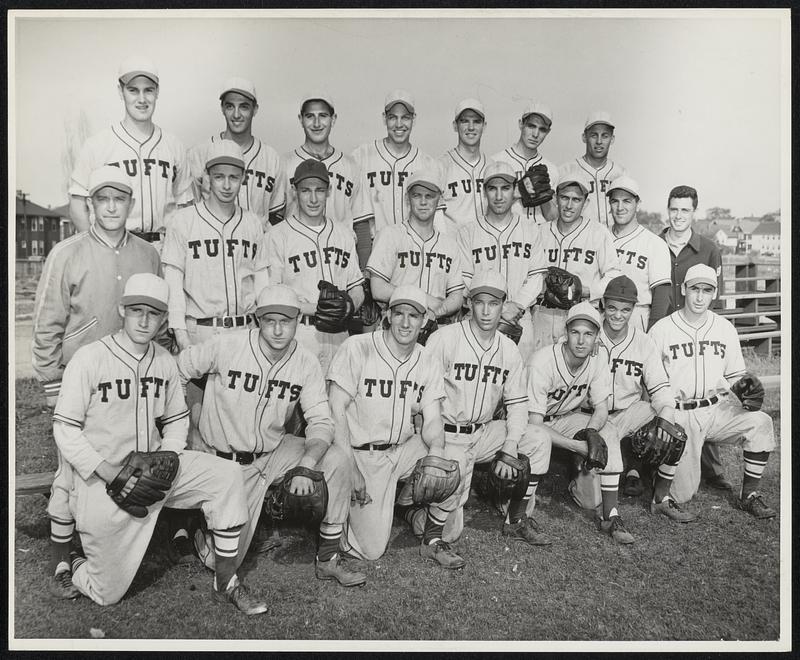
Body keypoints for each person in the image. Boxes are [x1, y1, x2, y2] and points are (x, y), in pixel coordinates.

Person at [51, 273, 267, 615]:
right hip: (102, 476)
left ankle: (226, 581)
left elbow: (177, 418)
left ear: (164, 319)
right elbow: (64, 428)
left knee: (227, 475)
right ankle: (74, 560)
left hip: (155, 470)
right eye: (136, 310)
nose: (144, 319)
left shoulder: (165, 362)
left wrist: (170, 453)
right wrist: (107, 471)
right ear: (122, 311)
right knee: (106, 593)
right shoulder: (89, 358)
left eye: (153, 313)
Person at [177, 284, 366, 587]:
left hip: (274, 452)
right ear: (257, 320)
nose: (278, 330)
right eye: (270, 321)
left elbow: (321, 420)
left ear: (296, 321)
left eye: (286, 321)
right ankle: (201, 526)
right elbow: (178, 372)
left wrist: (306, 463)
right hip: (226, 463)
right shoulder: (225, 345)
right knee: (220, 561)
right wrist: (189, 426)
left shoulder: (304, 361)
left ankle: (329, 557)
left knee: (336, 459)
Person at [32, 166, 162, 598]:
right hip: (79, 376)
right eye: (102, 200)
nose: (111, 207)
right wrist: (52, 383)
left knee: (119, 460)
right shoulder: (66, 252)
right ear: (90, 204)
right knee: (70, 471)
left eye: (119, 199)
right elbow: (47, 324)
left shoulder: (147, 253)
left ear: (130, 204)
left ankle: (105, 543)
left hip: (128, 380)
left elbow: (154, 318)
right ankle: (61, 558)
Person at [417, 270, 553, 556]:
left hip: (483, 433)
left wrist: (510, 445)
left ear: (504, 305)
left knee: (538, 438)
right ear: (469, 303)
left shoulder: (508, 349)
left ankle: (515, 519)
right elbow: (420, 396)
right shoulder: (444, 339)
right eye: (480, 302)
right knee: (450, 532)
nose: (487, 310)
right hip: (446, 435)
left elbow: (517, 404)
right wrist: (432, 445)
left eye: (494, 303)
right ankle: (420, 524)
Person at [326, 285, 453, 564]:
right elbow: (335, 409)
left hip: (404, 449)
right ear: (387, 315)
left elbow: (432, 418)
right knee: (371, 550)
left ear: (424, 321)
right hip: (363, 455)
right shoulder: (357, 347)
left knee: (452, 457)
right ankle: (339, 506)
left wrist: (437, 452)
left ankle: (411, 513)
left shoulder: (427, 360)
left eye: (414, 316)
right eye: (399, 314)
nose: (406, 323)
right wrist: (350, 467)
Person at [648, 265, 777, 519]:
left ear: (714, 293)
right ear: (683, 289)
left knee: (760, 422)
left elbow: (735, 375)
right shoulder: (662, 330)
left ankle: (749, 495)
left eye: (706, 290)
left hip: (717, 408)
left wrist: (746, 389)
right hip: (680, 413)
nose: (699, 297)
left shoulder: (724, 328)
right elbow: (651, 380)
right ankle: (658, 482)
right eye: (694, 289)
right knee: (683, 494)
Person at [570, 276, 696, 522]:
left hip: (629, 413)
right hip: (590, 418)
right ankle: (577, 469)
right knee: (590, 501)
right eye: (613, 308)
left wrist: (666, 417)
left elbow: (660, 388)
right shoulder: (588, 338)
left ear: (634, 309)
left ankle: (661, 499)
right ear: (603, 306)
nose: (618, 315)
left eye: (626, 309)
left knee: (672, 425)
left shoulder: (643, 342)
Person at [525, 302, 633, 544]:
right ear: (566, 333)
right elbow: (533, 422)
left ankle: (611, 515)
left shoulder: (597, 358)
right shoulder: (541, 361)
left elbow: (602, 408)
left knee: (609, 429)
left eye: (589, 334)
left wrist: (591, 432)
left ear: (597, 337)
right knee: (515, 506)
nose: (581, 341)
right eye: (575, 332)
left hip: (564, 419)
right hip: (528, 424)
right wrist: (577, 447)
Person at [68, 56, 193, 247]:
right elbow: (77, 203)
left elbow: (185, 205)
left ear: (157, 92)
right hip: (114, 245)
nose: (142, 99)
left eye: (148, 90)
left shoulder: (174, 146)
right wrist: (95, 249)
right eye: (133, 90)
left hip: (164, 248)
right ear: (121, 91)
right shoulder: (97, 145)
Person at [660, 185, 730, 491]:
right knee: (660, 398)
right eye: (674, 209)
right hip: (662, 328)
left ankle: (711, 466)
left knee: (704, 390)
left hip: (696, 329)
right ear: (668, 209)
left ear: (694, 212)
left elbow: (715, 291)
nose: (678, 215)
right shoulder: (654, 243)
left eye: (685, 210)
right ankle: (647, 464)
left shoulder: (708, 247)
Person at [266, 158, 365, 371]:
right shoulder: (276, 235)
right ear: (295, 191)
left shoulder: (344, 234)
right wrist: (317, 309)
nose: (313, 198)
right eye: (305, 190)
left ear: (328, 191)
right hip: (299, 335)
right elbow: (271, 297)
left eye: (319, 190)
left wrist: (348, 305)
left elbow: (357, 287)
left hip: (339, 336)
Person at [456, 161, 548, 362]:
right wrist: (494, 308)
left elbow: (536, 276)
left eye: (505, 188)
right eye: (492, 189)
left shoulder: (530, 229)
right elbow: (464, 278)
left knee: (517, 386)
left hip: (519, 319)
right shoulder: (467, 232)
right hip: (479, 319)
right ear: (484, 191)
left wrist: (516, 306)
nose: (499, 196)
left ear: (515, 189)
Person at [531, 174, 623, 351]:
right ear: (556, 199)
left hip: (581, 314)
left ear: (585, 203)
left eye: (576, 199)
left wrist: (584, 291)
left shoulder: (598, 233)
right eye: (564, 198)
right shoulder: (540, 232)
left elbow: (614, 275)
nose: (569, 205)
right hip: (542, 314)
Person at [350, 90, 441, 268]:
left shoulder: (428, 163)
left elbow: (437, 221)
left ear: (414, 118)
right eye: (393, 117)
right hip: (375, 252)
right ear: (384, 118)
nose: (399, 124)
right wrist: (366, 267)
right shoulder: (363, 156)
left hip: (416, 254)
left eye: (405, 117)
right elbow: (359, 219)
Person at [366, 168, 464, 326]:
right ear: (407, 199)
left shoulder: (450, 245)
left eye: (429, 196)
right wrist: (426, 300)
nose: (423, 202)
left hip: (436, 327)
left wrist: (440, 310)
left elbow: (457, 296)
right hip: (396, 326)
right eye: (417, 195)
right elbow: (378, 289)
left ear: (439, 200)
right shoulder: (390, 235)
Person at [187, 77, 286, 229]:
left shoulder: (271, 158)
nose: (236, 114)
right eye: (230, 106)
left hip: (258, 246)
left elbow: (277, 214)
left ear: (255, 109)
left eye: (244, 107)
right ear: (222, 109)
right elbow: (189, 211)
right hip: (211, 243)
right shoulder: (199, 153)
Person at [282, 92, 360, 228]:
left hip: (341, 247)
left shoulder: (350, 165)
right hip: (297, 246)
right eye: (310, 116)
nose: (316, 123)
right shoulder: (284, 163)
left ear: (333, 119)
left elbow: (360, 222)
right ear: (301, 119)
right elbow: (276, 218)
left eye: (323, 116)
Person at [606, 176, 671, 331]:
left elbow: (661, 296)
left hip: (638, 316)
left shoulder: (654, 244)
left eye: (627, 201)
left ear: (638, 204)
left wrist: (653, 333)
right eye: (615, 201)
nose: (620, 207)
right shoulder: (600, 237)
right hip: (603, 313)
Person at [490, 101, 559, 225]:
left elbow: (553, 218)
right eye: (531, 126)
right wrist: (517, 191)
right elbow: (486, 210)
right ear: (521, 124)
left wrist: (544, 197)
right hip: (508, 237)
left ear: (548, 132)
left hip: (540, 236)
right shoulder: (496, 162)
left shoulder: (551, 168)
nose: (535, 134)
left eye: (542, 129)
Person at [558, 111, 629, 229]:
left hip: (613, 240)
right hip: (579, 240)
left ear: (612, 139)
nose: (599, 141)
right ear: (584, 137)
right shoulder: (566, 171)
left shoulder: (621, 173)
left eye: (605, 136)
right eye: (594, 135)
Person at [437, 98, 492, 237]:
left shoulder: (492, 167)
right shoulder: (441, 166)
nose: (471, 127)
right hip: (453, 249)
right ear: (455, 126)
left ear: (484, 126)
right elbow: (435, 217)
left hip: (485, 250)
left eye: (476, 121)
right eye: (465, 121)